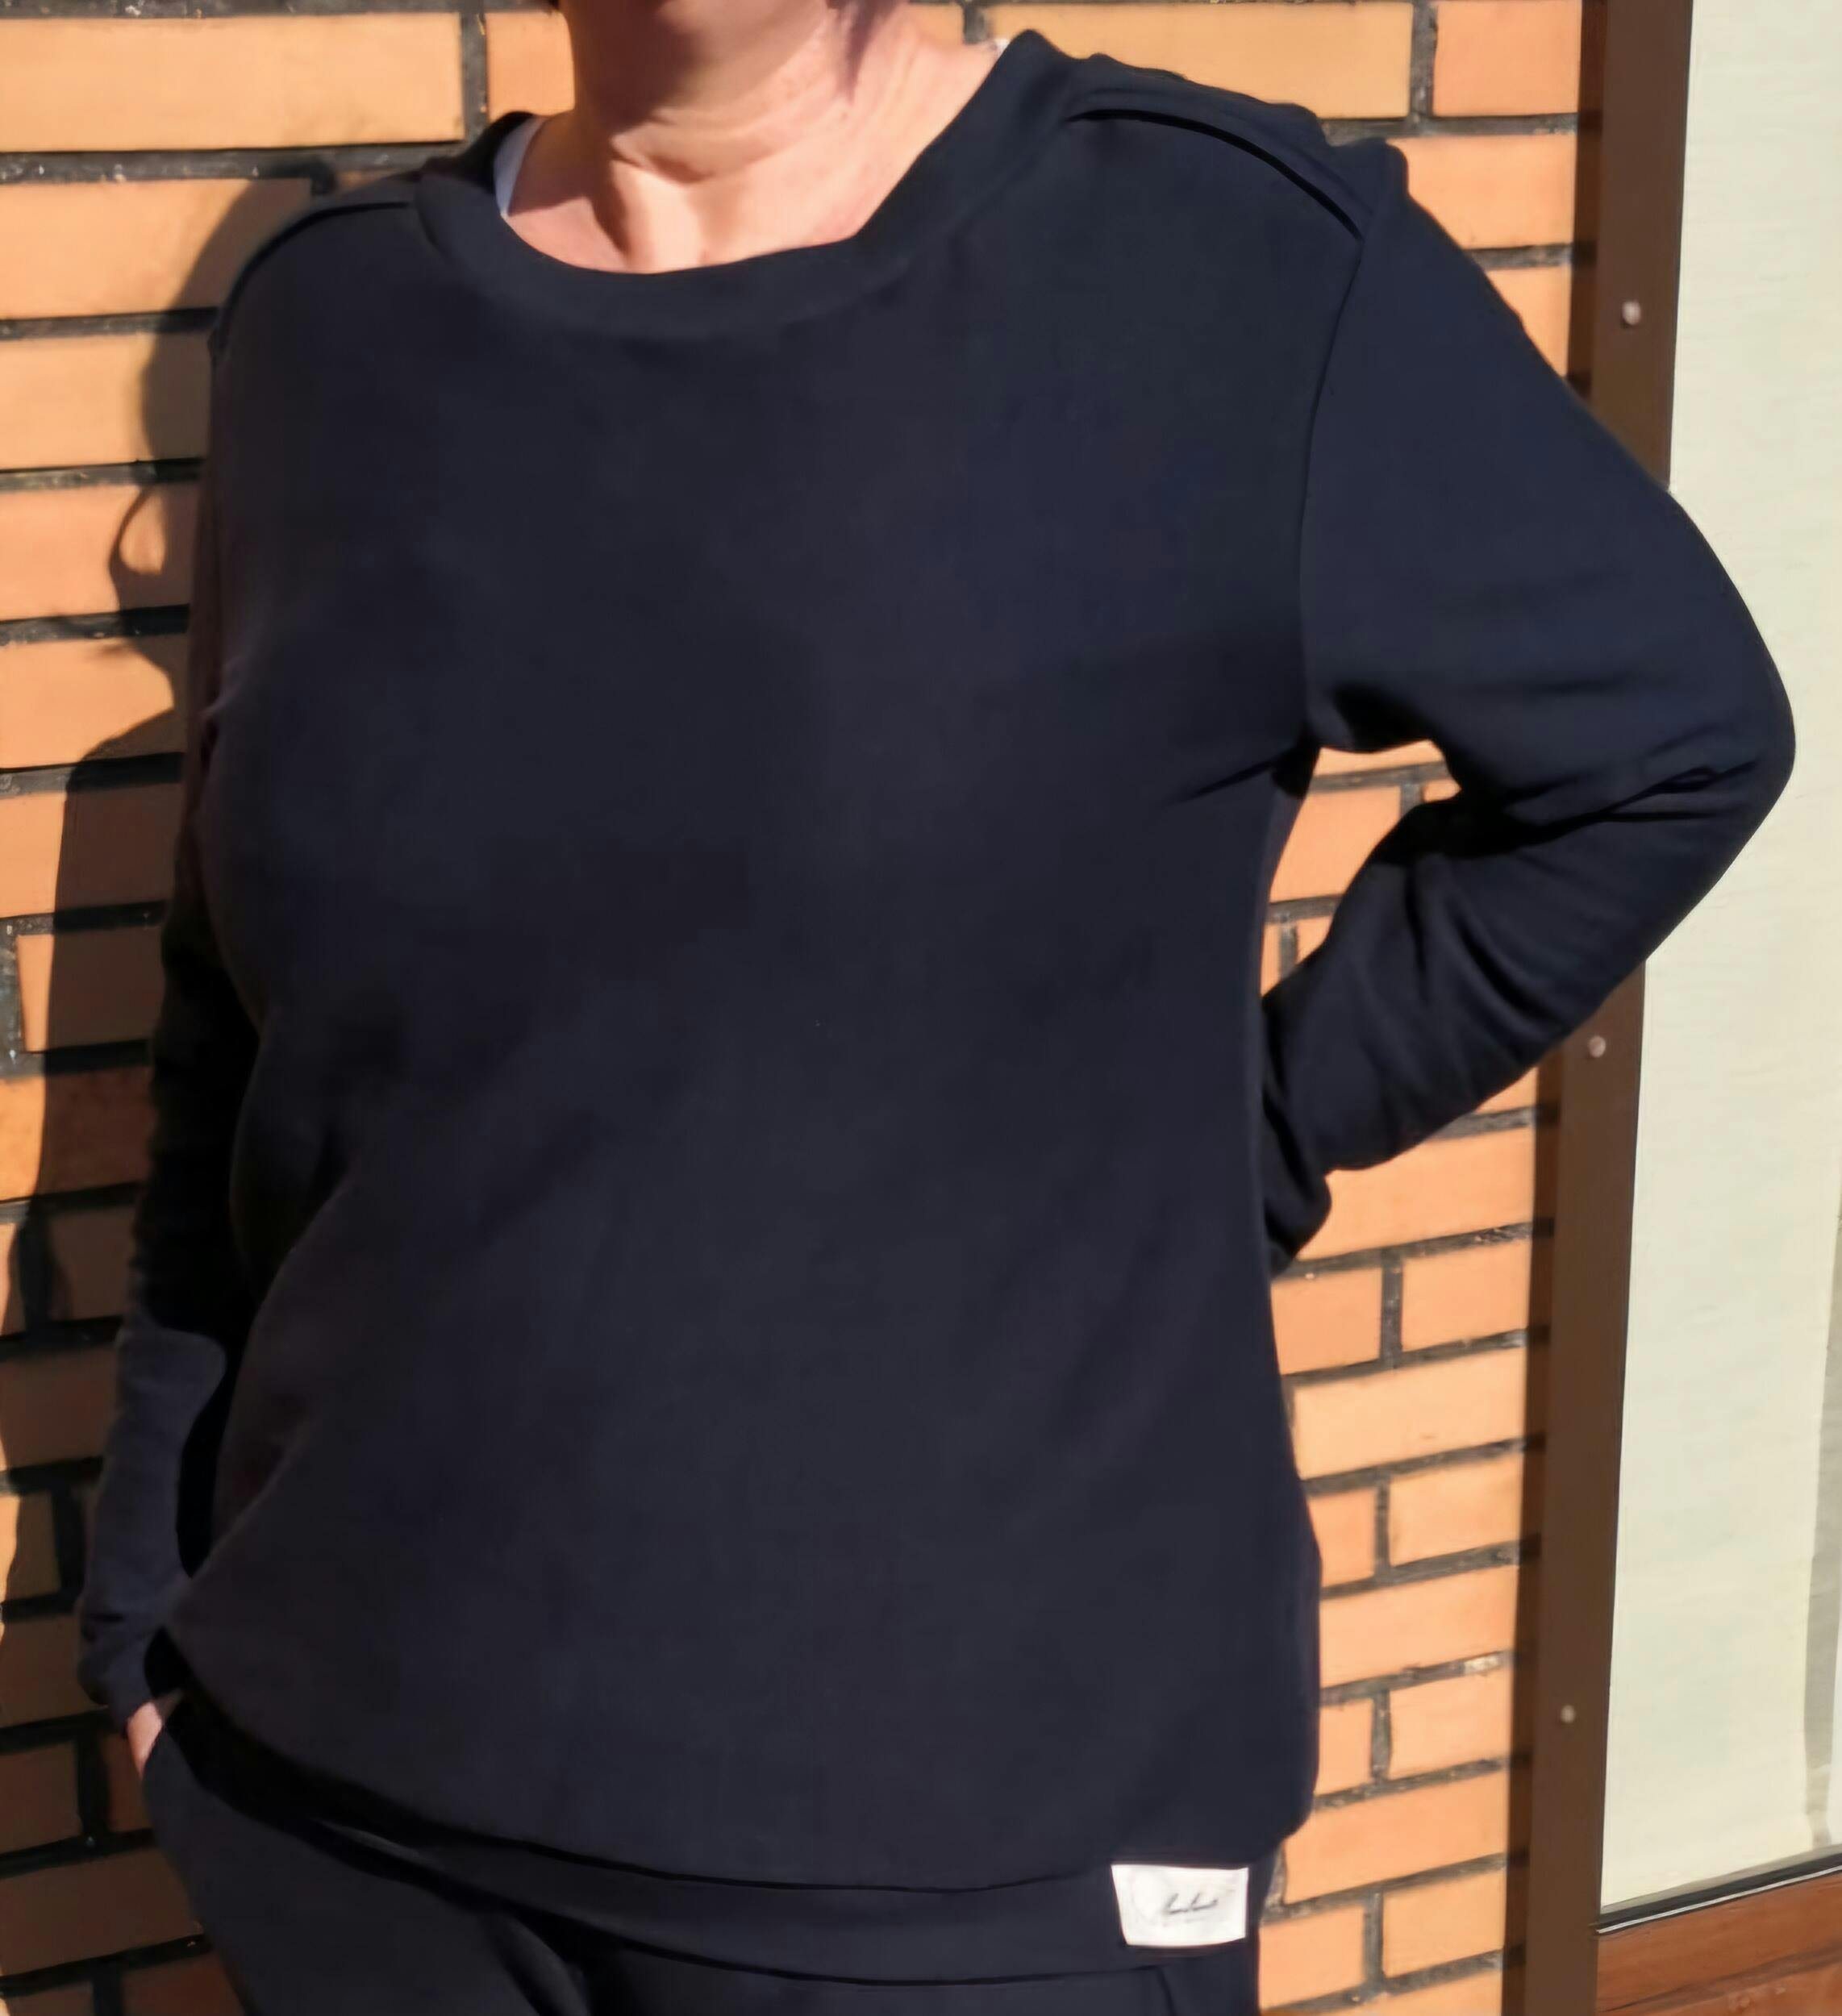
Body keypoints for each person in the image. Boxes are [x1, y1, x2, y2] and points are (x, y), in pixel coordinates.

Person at [75, 0, 1795, 2010]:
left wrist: (1245, 1135)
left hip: (960, 1862)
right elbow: (231, 1024)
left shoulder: (1222, 266)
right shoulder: (329, 330)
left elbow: (1663, 745)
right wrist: (144, 1612)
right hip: (346, 1816)